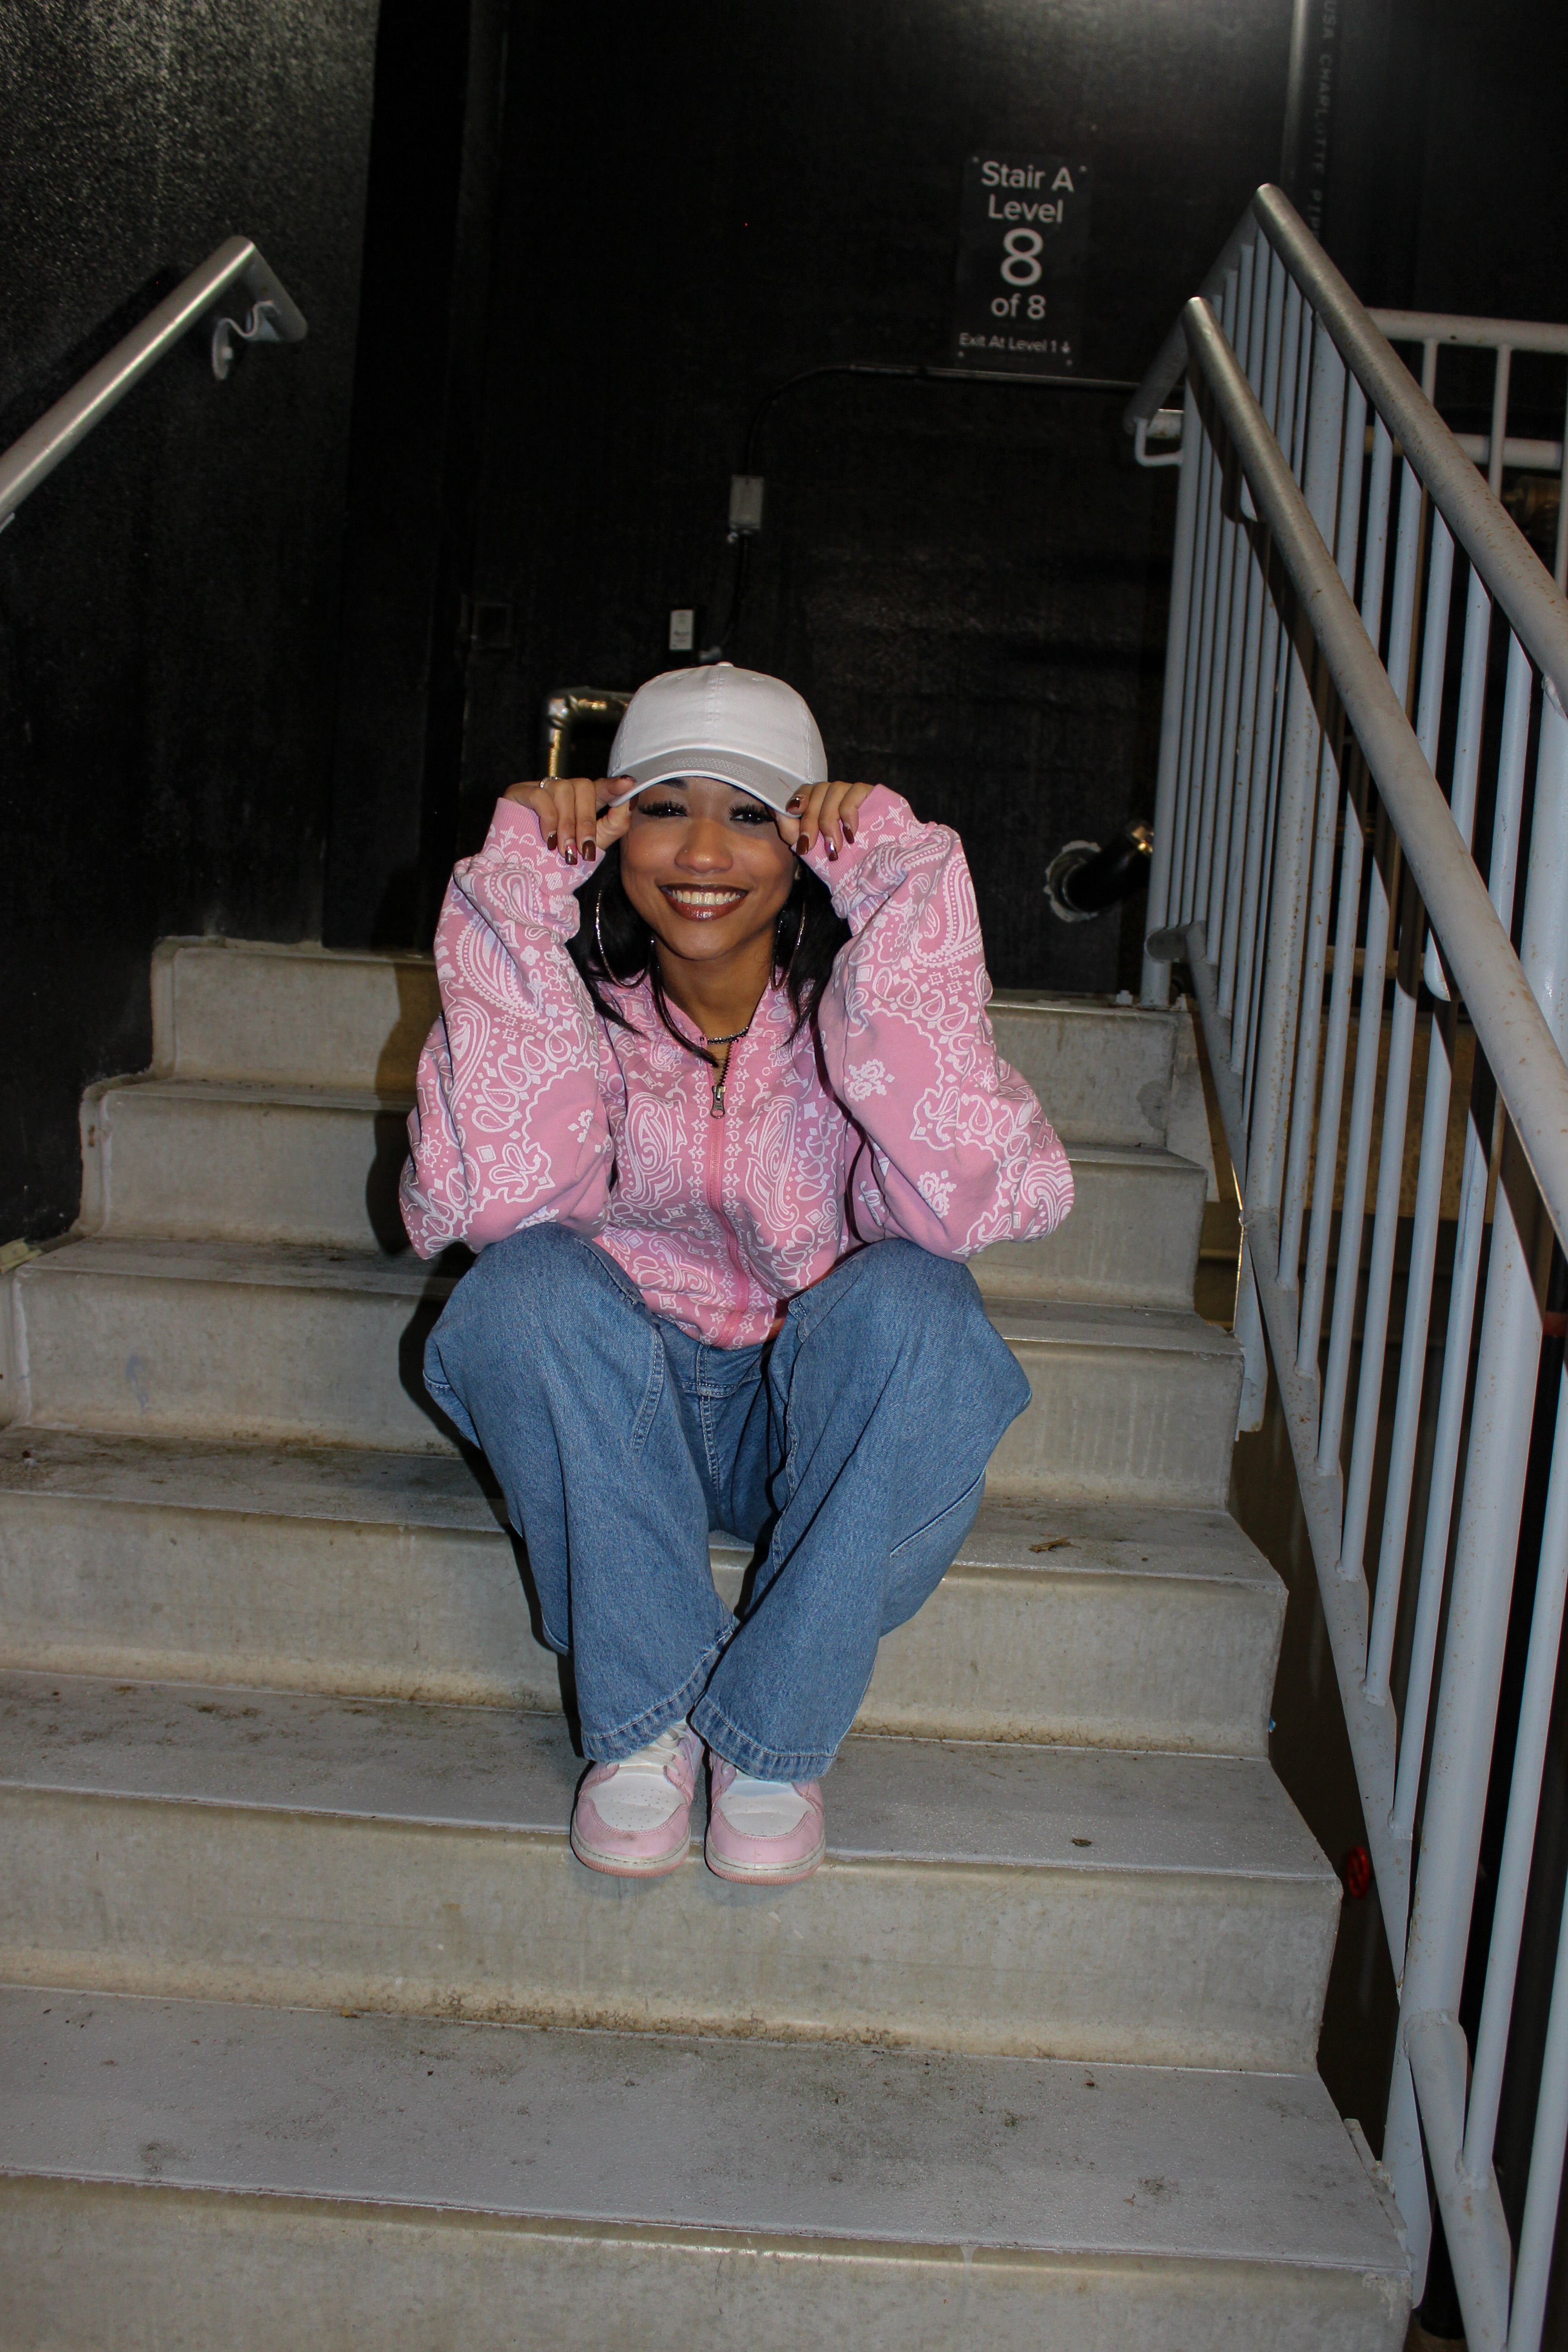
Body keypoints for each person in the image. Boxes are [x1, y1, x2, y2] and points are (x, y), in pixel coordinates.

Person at [401, 663, 1073, 1888]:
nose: (703, 849)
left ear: (806, 842)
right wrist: (512, 890)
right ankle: (646, 1718)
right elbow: (497, 1203)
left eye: (753, 813)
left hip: (804, 1432)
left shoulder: (853, 1015)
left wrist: (904, 893)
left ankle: (772, 1742)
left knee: (925, 1304)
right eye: (665, 805)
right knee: (521, 1289)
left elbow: (959, 1198)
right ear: (613, 831)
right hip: (624, 1422)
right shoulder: (578, 1007)